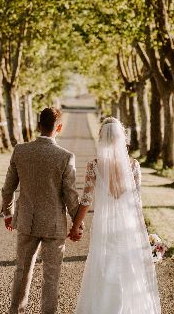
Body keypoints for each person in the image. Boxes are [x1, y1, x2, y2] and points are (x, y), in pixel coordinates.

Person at [69, 117, 161, 314]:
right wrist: (143, 232)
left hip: (104, 227)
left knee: (104, 269)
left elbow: (86, 200)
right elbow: (137, 203)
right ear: (122, 139)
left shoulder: (95, 165)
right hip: (128, 226)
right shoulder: (134, 166)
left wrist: (76, 225)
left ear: (102, 137)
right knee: (129, 269)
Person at [1, 107, 82, 314]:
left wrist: (8, 214)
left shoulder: (21, 150)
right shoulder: (65, 157)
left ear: (39, 125)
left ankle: (15, 311)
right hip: (54, 225)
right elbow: (70, 196)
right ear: (59, 127)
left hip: (26, 221)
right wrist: (77, 223)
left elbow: (8, 187)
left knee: (22, 270)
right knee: (51, 277)